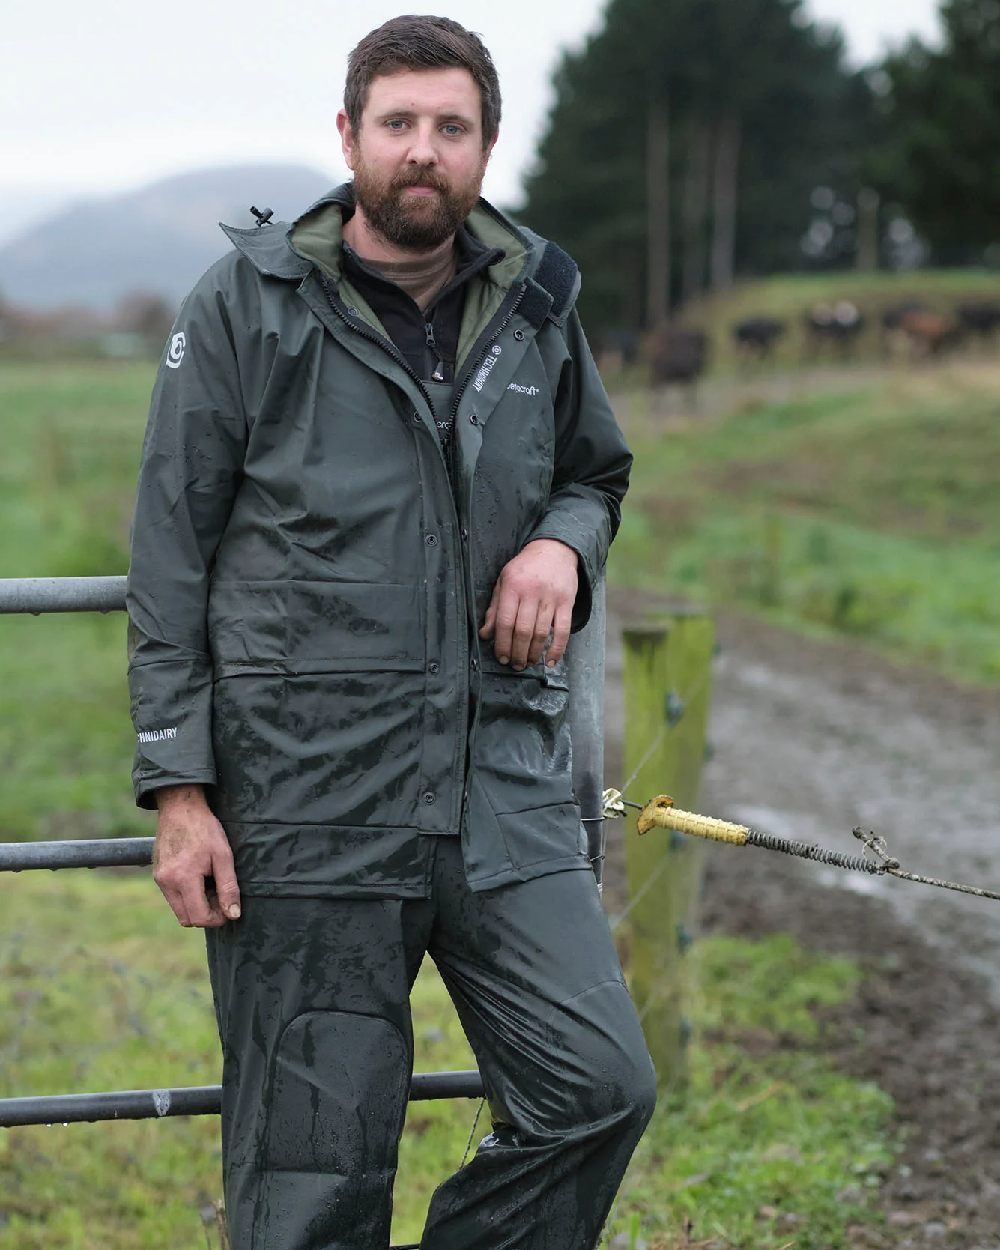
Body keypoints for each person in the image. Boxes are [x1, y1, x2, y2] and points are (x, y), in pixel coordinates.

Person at [127, 15, 655, 1249]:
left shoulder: (536, 301)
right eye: (400, 124)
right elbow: (170, 553)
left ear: (485, 147)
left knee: (596, 1088)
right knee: (312, 1183)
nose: (424, 151)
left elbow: (596, 473)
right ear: (350, 137)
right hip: (308, 801)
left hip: (501, 793)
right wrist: (180, 787)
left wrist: (559, 545)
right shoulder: (249, 306)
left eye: (450, 128)